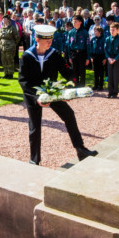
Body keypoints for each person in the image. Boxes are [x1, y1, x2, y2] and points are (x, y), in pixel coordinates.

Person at [19, 25, 97, 165]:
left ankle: (80, 149)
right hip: (33, 95)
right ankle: (34, 159)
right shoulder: (27, 56)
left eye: (51, 40)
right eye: (46, 40)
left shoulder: (54, 54)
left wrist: (71, 87)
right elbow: (24, 81)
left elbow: (67, 72)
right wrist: (37, 98)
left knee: (69, 115)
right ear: (37, 39)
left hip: (52, 92)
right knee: (35, 126)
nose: (49, 43)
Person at [67, 15, 88, 87]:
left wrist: (88, 57)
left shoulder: (85, 32)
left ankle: (82, 86)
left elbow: (88, 45)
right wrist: (69, 56)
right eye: (73, 21)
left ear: (80, 22)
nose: (74, 23)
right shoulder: (70, 32)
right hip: (73, 53)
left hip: (82, 53)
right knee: (74, 70)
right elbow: (68, 45)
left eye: (75, 21)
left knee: (82, 70)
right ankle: (76, 85)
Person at [104, 22, 119, 98]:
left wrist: (115, 59)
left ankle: (115, 92)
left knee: (116, 76)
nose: (111, 31)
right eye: (110, 30)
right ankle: (110, 92)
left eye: (113, 30)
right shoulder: (107, 39)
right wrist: (108, 58)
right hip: (110, 58)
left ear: (117, 30)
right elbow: (105, 50)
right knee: (110, 76)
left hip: (117, 59)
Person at [88, 25, 106, 91]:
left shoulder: (104, 39)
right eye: (94, 31)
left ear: (100, 32)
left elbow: (105, 49)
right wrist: (91, 57)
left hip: (101, 56)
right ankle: (96, 85)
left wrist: (105, 58)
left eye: (96, 31)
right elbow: (90, 48)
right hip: (95, 56)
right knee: (96, 71)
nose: (94, 32)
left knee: (101, 72)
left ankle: (100, 85)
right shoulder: (93, 39)